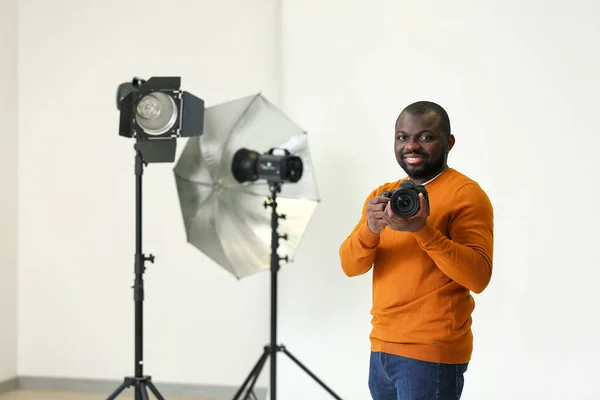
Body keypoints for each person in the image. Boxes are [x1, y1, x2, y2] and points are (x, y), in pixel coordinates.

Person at [339, 101, 494, 400]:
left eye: (426, 137)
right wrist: (370, 228)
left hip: (431, 352)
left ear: (448, 142)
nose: (411, 145)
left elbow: (478, 277)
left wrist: (421, 230)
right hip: (382, 348)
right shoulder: (384, 195)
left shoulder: (465, 194)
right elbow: (350, 266)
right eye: (402, 137)